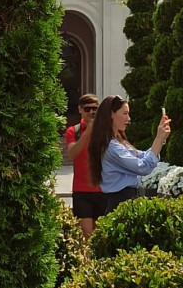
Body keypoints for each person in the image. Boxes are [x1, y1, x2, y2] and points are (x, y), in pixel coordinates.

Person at [88, 94, 171, 214]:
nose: (129, 119)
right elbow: (143, 167)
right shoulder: (112, 146)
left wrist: (160, 140)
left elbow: (142, 156)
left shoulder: (118, 142)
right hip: (121, 201)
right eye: (124, 114)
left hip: (126, 199)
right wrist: (158, 139)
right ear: (111, 114)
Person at [64, 93, 107, 239]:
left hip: (104, 189)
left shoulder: (105, 131)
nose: (91, 112)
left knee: (102, 236)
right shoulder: (73, 131)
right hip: (82, 191)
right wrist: (87, 132)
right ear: (80, 110)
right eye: (87, 109)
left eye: (95, 109)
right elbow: (72, 154)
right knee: (87, 237)